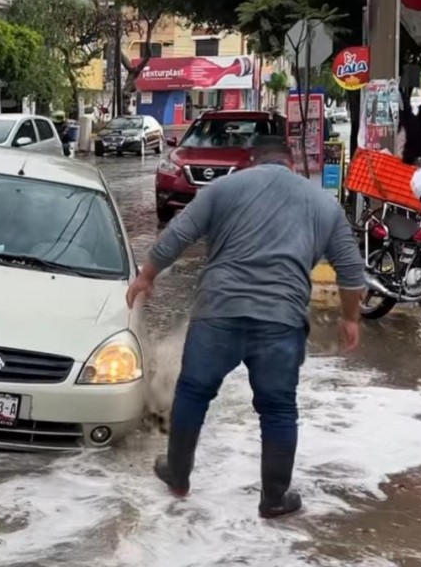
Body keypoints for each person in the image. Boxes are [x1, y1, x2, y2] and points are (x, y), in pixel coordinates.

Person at [126, 147, 365, 519]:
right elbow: (352, 273)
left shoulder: (225, 188)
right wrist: (350, 319)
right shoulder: (323, 205)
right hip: (281, 320)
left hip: (219, 311)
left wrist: (147, 275)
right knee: (278, 409)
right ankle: (273, 499)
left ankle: (178, 475)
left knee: (193, 392)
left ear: (253, 162)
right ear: (290, 163)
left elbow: (178, 234)